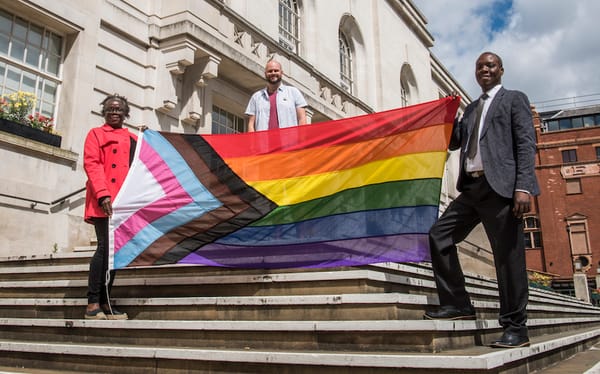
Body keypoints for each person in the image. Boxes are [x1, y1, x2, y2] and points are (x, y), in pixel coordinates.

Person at [424, 52, 540, 349]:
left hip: (501, 187)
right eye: (479, 66)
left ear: (501, 69)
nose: (484, 69)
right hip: (472, 188)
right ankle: (458, 303)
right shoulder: (472, 108)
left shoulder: (514, 99)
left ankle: (516, 327)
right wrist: (448, 114)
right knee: (439, 235)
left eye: (490, 65)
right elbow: (453, 143)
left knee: (507, 257)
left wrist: (524, 187)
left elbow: (526, 143)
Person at [83, 94, 137, 320]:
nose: (114, 112)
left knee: (115, 254)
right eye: (110, 109)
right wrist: (103, 194)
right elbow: (91, 164)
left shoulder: (134, 138)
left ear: (126, 114)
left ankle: (106, 302)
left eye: (119, 109)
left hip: (124, 204)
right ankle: (92, 302)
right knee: (104, 249)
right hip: (103, 200)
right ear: (103, 112)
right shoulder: (95, 134)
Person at [245, 59, 307, 132]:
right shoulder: (256, 97)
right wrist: (252, 143)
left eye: (276, 70)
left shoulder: (293, 92)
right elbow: (251, 124)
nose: (273, 73)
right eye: (270, 71)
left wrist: (302, 141)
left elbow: (302, 118)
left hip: (289, 141)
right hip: (264, 142)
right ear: (265, 74)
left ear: (281, 73)